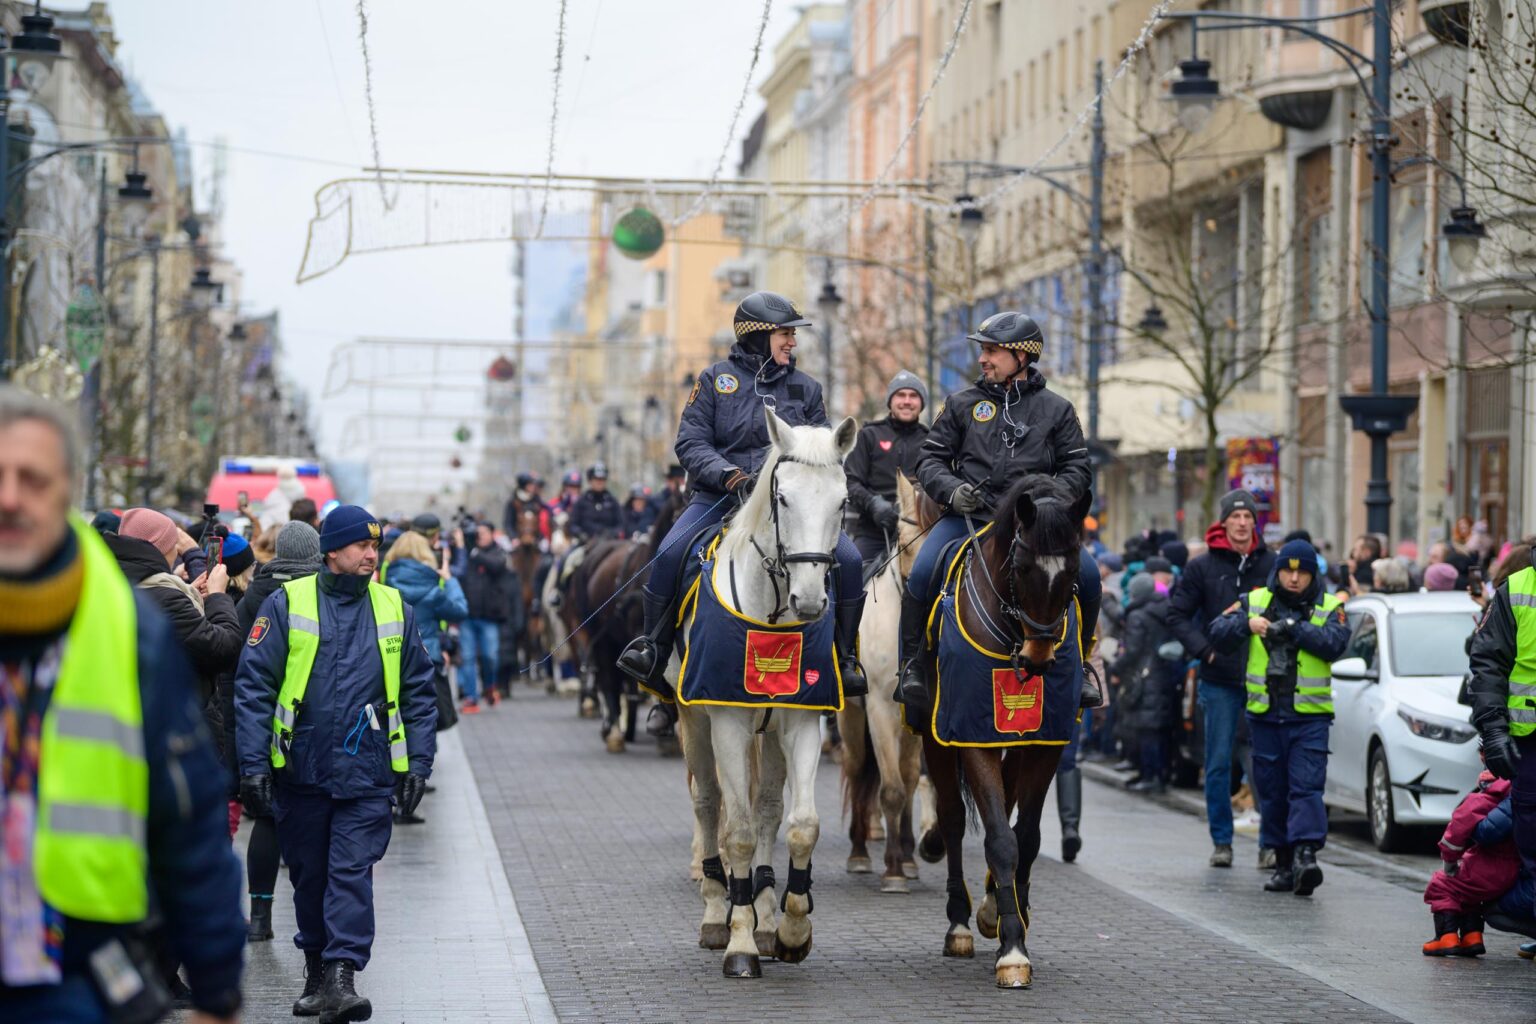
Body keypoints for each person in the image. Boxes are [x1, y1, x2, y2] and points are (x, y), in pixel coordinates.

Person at [0, 387, 244, 1022]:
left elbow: (186, 808)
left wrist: (217, 982)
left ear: (66, 491)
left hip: (75, 973)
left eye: (31, 478)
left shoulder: (125, 625)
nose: (9, 496)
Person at [616, 290, 869, 721]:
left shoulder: (807, 388)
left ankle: (843, 659)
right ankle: (654, 653)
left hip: (788, 503)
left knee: (847, 557)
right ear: (757, 336)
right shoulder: (715, 379)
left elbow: (821, 446)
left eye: (793, 334)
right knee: (668, 553)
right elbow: (690, 442)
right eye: (785, 333)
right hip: (720, 497)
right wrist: (728, 475)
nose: (792, 342)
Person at [234, 504, 437, 1022]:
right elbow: (254, 689)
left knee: (351, 872)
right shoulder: (286, 604)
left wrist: (418, 762)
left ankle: (343, 976)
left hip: (367, 772)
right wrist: (253, 765)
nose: (372, 554)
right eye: (361, 546)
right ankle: (315, 971)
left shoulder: (394, 606)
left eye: (376, 545)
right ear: (331, 552)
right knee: (310, 876)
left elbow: (418, 691)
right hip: (300, 769)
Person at [897, 311, 1097, 711]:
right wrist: (953, 491)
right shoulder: (960, 404)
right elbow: (930, 460)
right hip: (969, 517)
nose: (983, 359)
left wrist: (1049, 499)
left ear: (1022, 356)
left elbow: (1078, 468)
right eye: (982, 351)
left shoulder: (1057, 409)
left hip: (1034, 525)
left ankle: (1085, 667)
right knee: (922, 573)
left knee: (1089, 577)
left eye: (991, 351)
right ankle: (912, 666)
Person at [1208, 538, 1348, 895]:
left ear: (1313, 574)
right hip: (1266, 717)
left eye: (1302, 572)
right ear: (1278, 571)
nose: (1295, 579)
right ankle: (1283, 863)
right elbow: (1217, 633)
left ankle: (1305, 856)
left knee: (1306, 788)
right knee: (1271, 792)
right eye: (1288, 570)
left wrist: (1292, 629)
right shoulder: (1254, 602)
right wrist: (1246, 626)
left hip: (1309, 719)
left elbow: (1335, 642)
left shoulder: (1330, 606)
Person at [1167, 488, 1278, 869]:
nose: (1243, 523)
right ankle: (1222, 842)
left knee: (1262, 764)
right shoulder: (1203, 567)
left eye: (1248, 517)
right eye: (1236, 517)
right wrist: (1205, 651)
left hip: (1263, 680)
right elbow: (1178, 616)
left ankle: (1269, 843)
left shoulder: (1272, 565)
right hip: (1220, 679)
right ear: (1224, 522)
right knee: (1216, 763)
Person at [232, 520, 323, 942]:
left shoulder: (255, 592)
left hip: (258, 720)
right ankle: (317, 917)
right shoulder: (320, 593)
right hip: (306, 725)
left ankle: (261, 915)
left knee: (265, 819)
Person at [382, 531, 468, 821]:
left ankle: (394, 791)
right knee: (423, 721)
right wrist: (451, 578)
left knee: (397, 726)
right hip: (427, 658)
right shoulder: (433, 588)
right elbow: (460, 610)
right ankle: (413, 783)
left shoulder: (387, 583)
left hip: (393, 659)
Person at [1420, 772, 1515, 956]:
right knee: (1469, 891)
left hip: (1491, 866)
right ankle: (1471, 937)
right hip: (1515, 867)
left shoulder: (1479, 801)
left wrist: (1449, 861)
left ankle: (1446, 937)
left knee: (1442, 884)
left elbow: (1455, 833)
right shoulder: (1516, 796)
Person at [845, 369, 929, 565]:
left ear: (921, 403)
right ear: (890, 401)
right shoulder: (868, 435)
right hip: (872, 531)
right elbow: (851, 481)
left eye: (913, 396)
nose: (907, 401)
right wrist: (874, 504)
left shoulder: (931, 440)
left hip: (918, 531)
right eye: (900, 395)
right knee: (850, 568)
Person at [1112, 572, 1181, 794]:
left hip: (1142, 677)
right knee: (1156, 729)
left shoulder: (1138, 616)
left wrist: (1116, 667)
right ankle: (1155, 774)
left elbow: (1132, 650)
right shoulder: (1164, 609)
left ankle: (1150, 775)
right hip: (1162, 673)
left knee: (1144, 729)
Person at [455, 521, 516, 713]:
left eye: (483, 533)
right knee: (467, 657)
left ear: (492, 534)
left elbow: (497, 566)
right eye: (476, 533)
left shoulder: (498, 552)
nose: (479, 536)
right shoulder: (465, 554)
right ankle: (471, 698)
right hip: (467, 616)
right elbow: (456, 571)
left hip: (489, 617)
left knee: (490, 657)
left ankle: (490, 686)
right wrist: (461, 547)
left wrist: (474, 553)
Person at [570, 462, 622, 540]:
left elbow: (620, 524)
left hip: (609, 543)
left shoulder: (613, 501)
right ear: (590, 480)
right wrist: (580, 534)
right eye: (596, 479)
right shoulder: (581, 502)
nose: (599, 482)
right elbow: (573, 525)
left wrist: (613, 533)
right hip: (586, 542)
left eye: (602, 479)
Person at [504, 471, 551, 540]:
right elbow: (508, 523)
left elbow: (542, 521)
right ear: (523, 485)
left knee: (546, 547)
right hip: (517, 537)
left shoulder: (537, 500)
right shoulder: (513, 502)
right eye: (530, 484)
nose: (534, 487)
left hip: (535, 538)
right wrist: (513, 537)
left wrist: (540, 538)